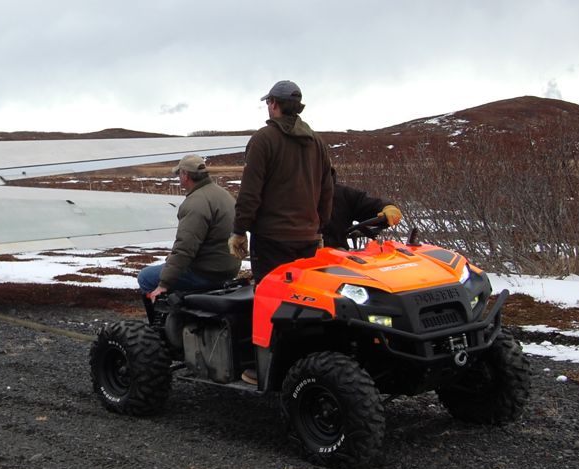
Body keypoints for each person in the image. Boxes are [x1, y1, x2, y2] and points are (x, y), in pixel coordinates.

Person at [230, 80, 334, 285]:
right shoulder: (317, 142)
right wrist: (319, 228)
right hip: (308, 239)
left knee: (271, 301)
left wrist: (239, 231)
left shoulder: (264, 139)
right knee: (303, 300)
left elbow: (250, 193)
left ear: (274, 103)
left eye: (268, 101)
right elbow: (327, 190)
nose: (268, 106)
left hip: (271, 241)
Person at [138, 155, 241, 317]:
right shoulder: (223, 195)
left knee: (145, 277)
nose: (178, 178)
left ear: (185, 175)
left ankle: (162, 326)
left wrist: (164, 283)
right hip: (229, 268)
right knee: (171, 263)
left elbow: (185, 248)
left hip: (208, 273)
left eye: (179, 174)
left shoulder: (196, 203)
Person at [323, 176, 402, 249]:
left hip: (339, 259)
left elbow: (365, 204)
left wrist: (386, 207)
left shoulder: (342, 194)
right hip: (314, 259)